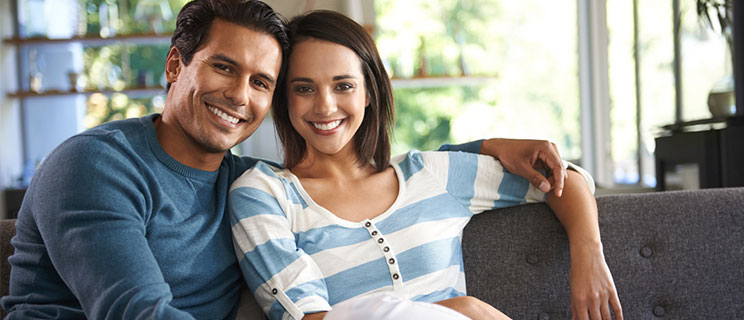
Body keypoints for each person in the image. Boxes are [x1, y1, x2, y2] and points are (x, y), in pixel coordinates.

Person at [1, 1, 575, 319]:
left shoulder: (241, 182)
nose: (239, 96)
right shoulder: (96, 166)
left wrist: (495, 147)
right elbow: (135, 314)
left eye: (261, 82)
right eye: (223, 67)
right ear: (176, 65)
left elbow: (409, 182)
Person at [228, 10, 623, 320]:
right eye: (304, 88)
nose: (326, 106)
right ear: (285, 100)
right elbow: (309, 318)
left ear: (369, 94)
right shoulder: (263, 195)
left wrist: (587, 255)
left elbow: (561, 179)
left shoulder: (430, 174)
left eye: (343, 85)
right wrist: (457, 310)